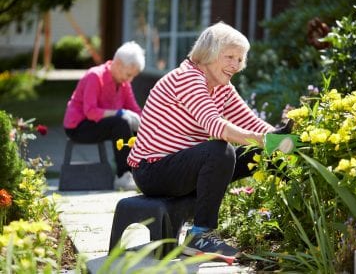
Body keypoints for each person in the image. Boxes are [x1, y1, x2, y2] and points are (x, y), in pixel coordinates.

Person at [127, 22, 292, 257]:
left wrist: (286, 142)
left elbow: (252, 123)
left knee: (261, 151)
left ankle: (300, 217)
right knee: (221, 151)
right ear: (210, 53)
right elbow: (216, 126)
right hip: (153, 170)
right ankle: (200, 235)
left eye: (240, 58)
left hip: (184, 168)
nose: (236, 65)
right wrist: (267, 140)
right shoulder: (187, 78)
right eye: (230, 57)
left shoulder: (222, 87)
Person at [63, 41, 145, 191]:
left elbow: (135, 109)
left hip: (101, 124)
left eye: (133, 76)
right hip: (79, 126)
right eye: (129, 74)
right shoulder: (95, 76)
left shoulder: (124, 83)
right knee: (121, 123)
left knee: (136, 124)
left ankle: (141, 172)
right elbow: (90, 111)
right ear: (118, 63)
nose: (130, 80)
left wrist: (146, 123)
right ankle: (123, 176)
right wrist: (120, 112)